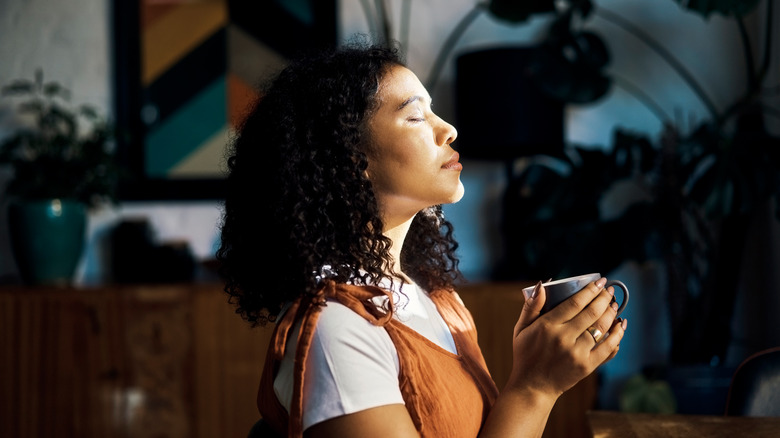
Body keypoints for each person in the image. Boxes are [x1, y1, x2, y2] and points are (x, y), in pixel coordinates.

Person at [217, 41, 627, 438]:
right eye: (415, 117)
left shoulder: (438, 300)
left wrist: (539, 377)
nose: (448, 129)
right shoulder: (334, 331)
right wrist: (535, 388)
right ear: (351, 158)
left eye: (434, 112)